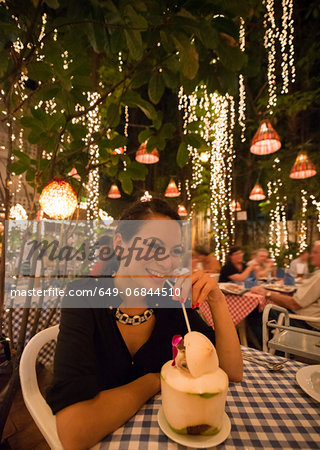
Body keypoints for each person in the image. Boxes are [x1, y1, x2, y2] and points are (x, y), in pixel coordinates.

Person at [46, 199, 243, 449]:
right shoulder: (83, 296)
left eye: (174, 251)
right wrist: (154, 380)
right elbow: (75, 432)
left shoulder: (173, 300)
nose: (167, 261)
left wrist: (217, 300)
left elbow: (232, 371)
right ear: (120, 245)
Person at [251, 241, 320, 331]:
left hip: (307, 324)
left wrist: (267, 293)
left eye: (315, 252)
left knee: (256, 313)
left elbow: (294, 304)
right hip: (309, 319)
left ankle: (266, 344)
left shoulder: (319, 276)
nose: (311, 255)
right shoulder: (253, 264)